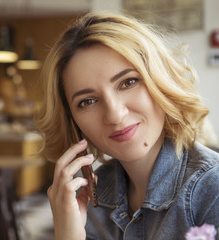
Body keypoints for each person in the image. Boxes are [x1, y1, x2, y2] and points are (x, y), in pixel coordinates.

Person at [35, 12, 219, 240]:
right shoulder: (91, 198)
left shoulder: (213, 190)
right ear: (72, 121)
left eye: (128, 82)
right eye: (88, 101)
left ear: (159, 82)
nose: (115, 114)